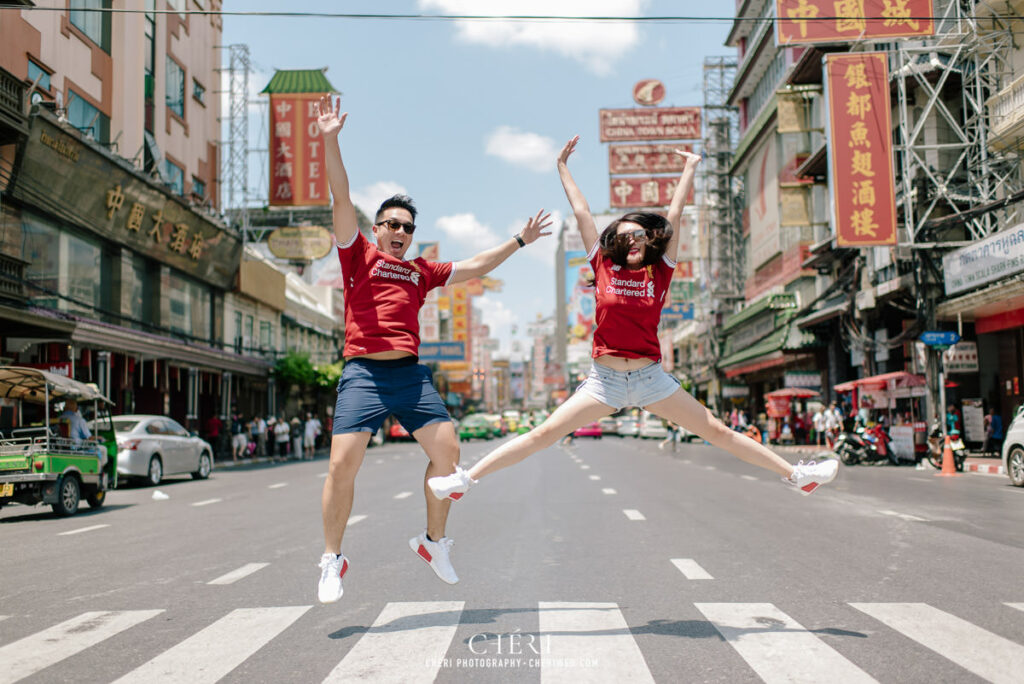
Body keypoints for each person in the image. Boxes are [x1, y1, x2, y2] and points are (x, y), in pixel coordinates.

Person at [427, 135, 838, 516]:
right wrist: (562, 167)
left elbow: (673, 215)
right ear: (613, 246)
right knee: (543, 434)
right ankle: (466, 480)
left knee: (718, 432)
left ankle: (797, 476)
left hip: (650, 377)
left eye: (640, 235)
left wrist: (691, 168)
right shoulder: (601, 265)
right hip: (604, 379)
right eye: (625, 238)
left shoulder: (660, 271)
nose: (634, 241)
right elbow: (583, 211)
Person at [312, 94, 552, 604]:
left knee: (449, 455)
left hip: (410, 376)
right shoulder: (358, 255)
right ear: (375, 229)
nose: (400, 231)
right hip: (362, 375)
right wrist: (330, 140)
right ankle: (332, 558)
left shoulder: (423, 271)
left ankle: (433, 542)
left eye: (407, 227)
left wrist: (520, 240)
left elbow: (477, 265)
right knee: (341, 467)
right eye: (392, 224)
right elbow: (339, 196)